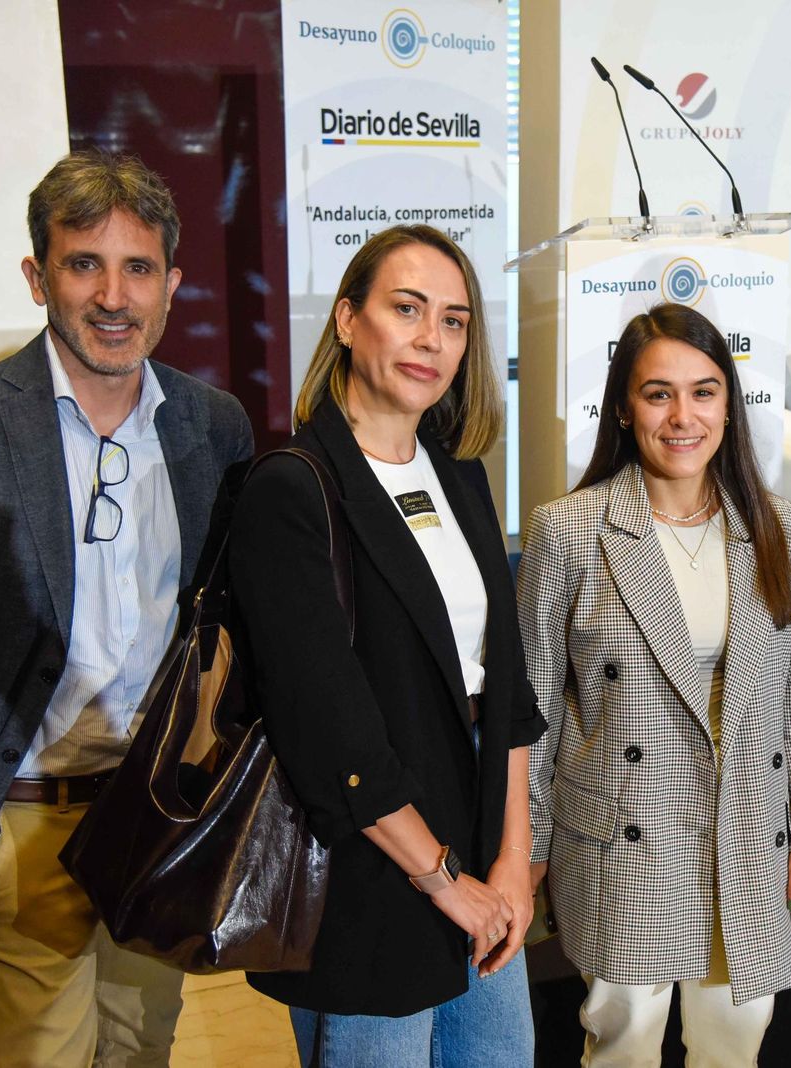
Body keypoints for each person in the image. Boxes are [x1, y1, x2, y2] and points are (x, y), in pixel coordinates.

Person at [0, 150, 254, 1065]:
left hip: (153, 820)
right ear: (38, 277)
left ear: (172, 285)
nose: (114, 295)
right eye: (84, 264)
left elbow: (223, 623)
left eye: (138, 267)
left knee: (140, 1053)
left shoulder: (213, 427)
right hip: (19, 826)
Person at [226, 224, 542, 1065]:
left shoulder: (461, 471)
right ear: (344, 321)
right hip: (370, 863)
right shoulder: (291, 487)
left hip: (479, 837)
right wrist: (441, 880)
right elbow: (331, 733)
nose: (430, 339)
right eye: (406, 309)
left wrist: (513, 860)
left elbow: (504, 685)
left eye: (454, 320)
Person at [520, 302, 791, 1067]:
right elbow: (532, 712)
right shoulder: (568, 529)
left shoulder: (778, 528)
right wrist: (526, 847)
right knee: (624, 1039)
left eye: (703, 391)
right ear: (625, 409)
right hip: (626, 835)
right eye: (658, 393)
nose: (682, 415)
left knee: (736, 1042)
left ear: (729, 405)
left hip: (746, 832)